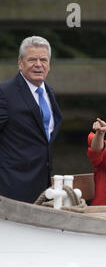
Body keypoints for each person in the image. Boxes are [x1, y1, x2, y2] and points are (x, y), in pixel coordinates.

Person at [0, 36, 63, 203]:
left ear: (49, 65)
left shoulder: (49, 91)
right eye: (32, 59)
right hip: (10, 187)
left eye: (43, 59)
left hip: (42, 185)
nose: (38, 64)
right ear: (20, 63)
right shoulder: (4, 93)